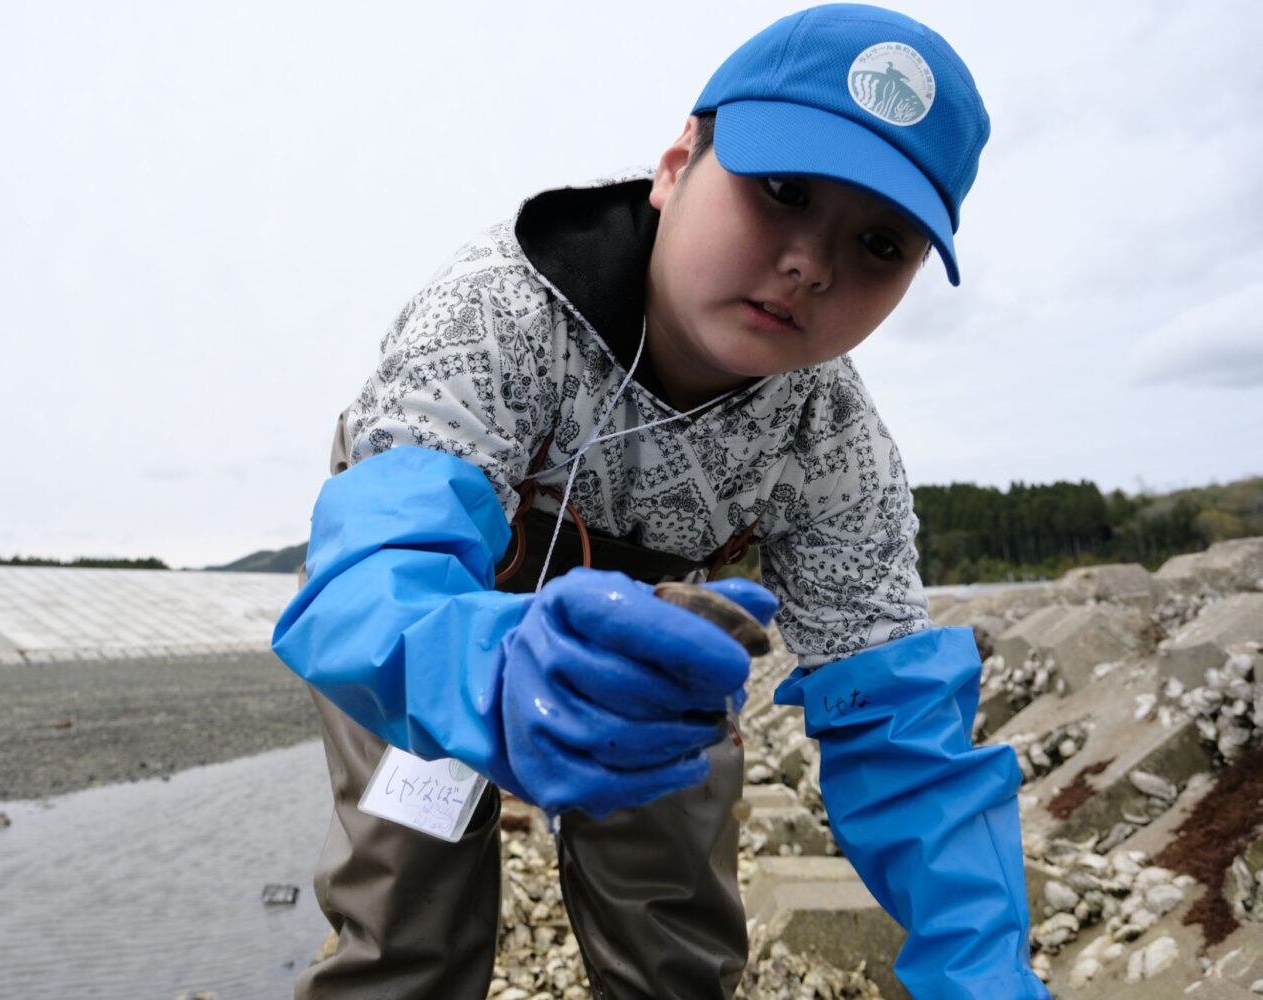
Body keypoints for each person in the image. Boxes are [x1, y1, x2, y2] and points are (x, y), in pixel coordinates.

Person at [272, 5, 1050, 998]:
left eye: (879, 244)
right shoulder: (496, 312)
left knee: (673, 929)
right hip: (447, 588)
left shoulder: (835, 448)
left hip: (654, 623)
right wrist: (494, 667)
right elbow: (378, 578)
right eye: (781, 191)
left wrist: (977, 957)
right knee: (407, 912)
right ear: (678, 163)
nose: (811, 263)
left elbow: (898, 725)